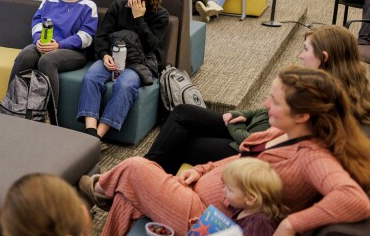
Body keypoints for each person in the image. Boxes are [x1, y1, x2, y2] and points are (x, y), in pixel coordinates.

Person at [80, 67, 370, 236]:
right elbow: (240, 161)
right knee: (127, 199)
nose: (266, 104)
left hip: (207, 222)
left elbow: (354, 199)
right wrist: (202, 170)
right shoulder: (283, 132)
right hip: (199, 198)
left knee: (135, 168)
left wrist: (291, 225)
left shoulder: (312, 156)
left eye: (275, 101)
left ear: (303, 115)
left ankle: (99, 190)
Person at [144, 25, 370, 174]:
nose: (300, 55)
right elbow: (267, 108)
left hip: (249, 146)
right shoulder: (325, 81)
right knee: (184, 112)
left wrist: (239, 125)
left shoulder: (322, 97)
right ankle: (144, 171)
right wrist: (243, 114)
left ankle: (145, 177)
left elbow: (266, 141)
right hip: (248, 127)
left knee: (181, 141)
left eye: (305, 49)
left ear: (324, 57)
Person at [77, 0, 169, 138]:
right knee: (91, 77)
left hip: (141, 62)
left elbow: (151, 46)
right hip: (113, 55)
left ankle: (98, 136)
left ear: (145, 0)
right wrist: (104, 55)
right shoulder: (118, 7)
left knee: (125, 84)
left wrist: (139, 18)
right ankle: (89, 131)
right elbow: (102, 35)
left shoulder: (160, 15)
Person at [7, 0, 98, 108]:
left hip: (74, 52)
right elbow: (37, 23)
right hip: (45, 44)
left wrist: (59, 45)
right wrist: (38, 41)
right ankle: (12, 105)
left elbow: (86, 37)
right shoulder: (49, 1)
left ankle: (49, 114)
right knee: (24, 55)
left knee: (47, 61)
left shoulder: (88, 6)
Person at [220, 158, 285, 236]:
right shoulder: (242, 210)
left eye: (229, 190)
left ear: (250, 199)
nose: (223, 191)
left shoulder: (259, 221)